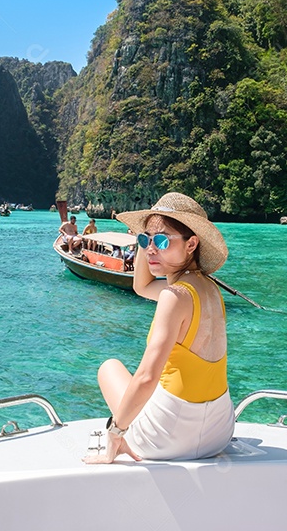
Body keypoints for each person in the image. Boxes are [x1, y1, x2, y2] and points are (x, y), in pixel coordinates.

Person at [84, 192, 233, 464]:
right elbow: (141, 287)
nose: (151, 249)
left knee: (109, 368)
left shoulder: (173, 296)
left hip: (170, 438)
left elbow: (146, 378)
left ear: (191, 245)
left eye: (162, 241)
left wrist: (117, 432)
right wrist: (148, 240)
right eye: (145, 241)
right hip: (219, 431)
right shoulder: (209, 289)